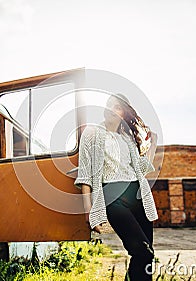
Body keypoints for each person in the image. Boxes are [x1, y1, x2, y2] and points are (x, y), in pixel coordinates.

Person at [75, 93, 158, 281]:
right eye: (108, 105)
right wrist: (89, 211)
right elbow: (85, 174)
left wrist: (152, 146)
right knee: (142, 252)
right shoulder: (92, 133)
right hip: (113, 198)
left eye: (116, 106)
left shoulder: (128, 139)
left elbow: (141, 170)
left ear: (124, 113)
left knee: (147, 255)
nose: (110, 109)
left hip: (138, 196)